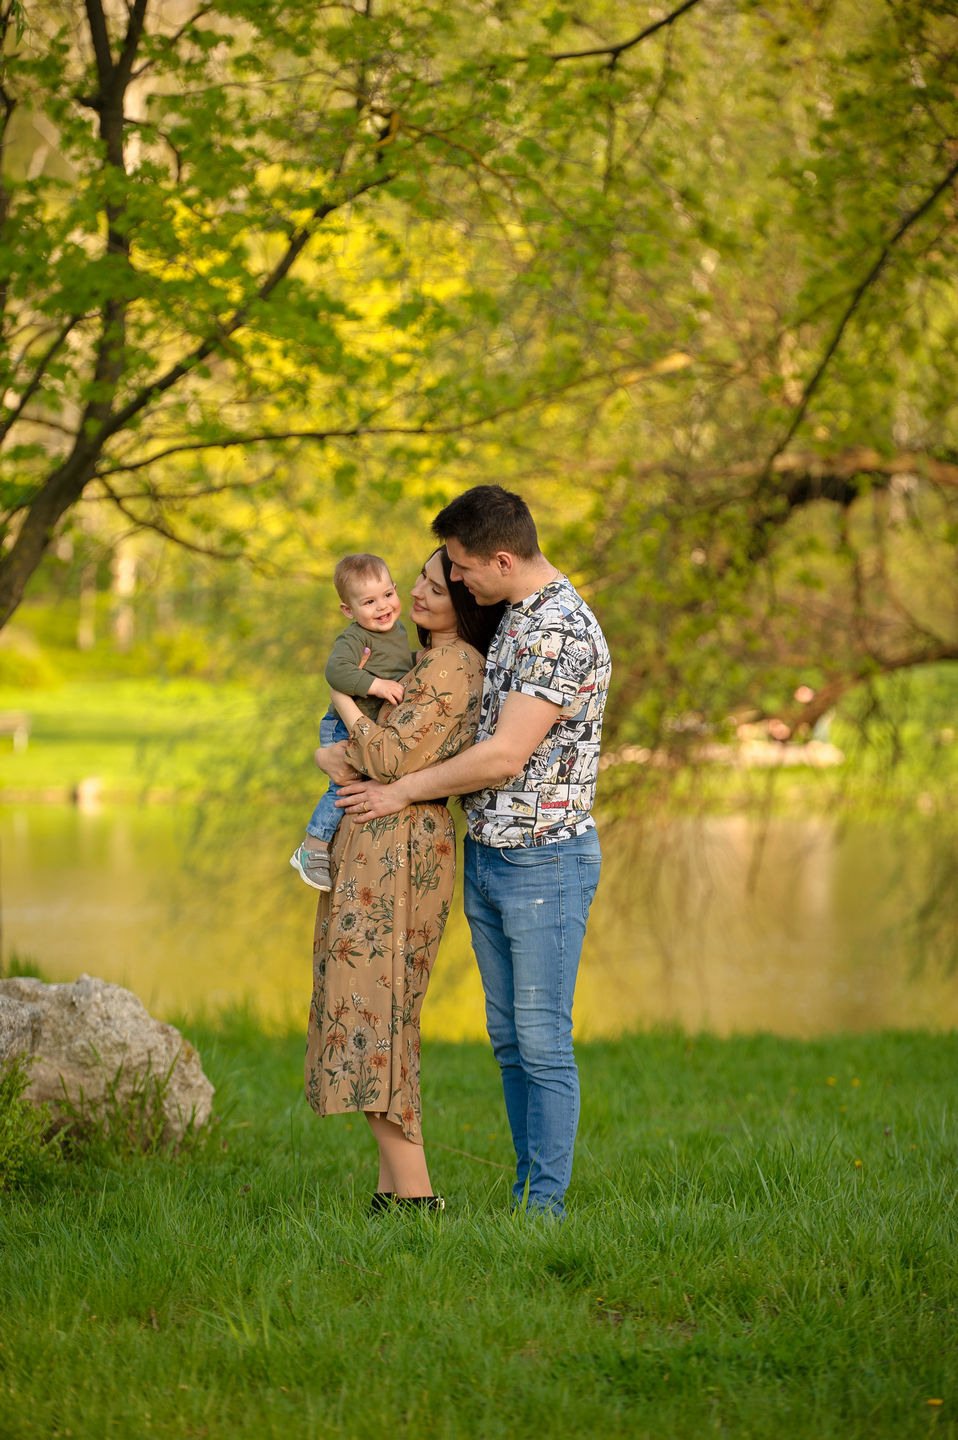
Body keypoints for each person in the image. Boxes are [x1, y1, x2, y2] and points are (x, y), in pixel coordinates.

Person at [331, 485, 611, 1219]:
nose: (454, 581)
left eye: (458, 567)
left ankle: (541, 1210)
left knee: (543, 1042)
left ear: (502, 558)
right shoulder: (517, 618)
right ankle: (527, 1195)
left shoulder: (558, 629)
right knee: (511, 1043)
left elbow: (504, 756)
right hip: (490, 855)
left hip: (544, 861)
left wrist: (399, 790)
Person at [304, 546, 505, 1211]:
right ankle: (393, 1195)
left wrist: (344, 723)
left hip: (397, 857)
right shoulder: (415, 660)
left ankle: (417, 1199)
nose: (416, 593)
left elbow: (387, 757)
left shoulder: (455, 667)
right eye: (416, 579)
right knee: (371, 1010)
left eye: (436, 587)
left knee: (374, 1014)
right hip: (375, 851)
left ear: (468, 600)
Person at [289, 553, 414, 892]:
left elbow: (400, 663)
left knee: (362, 785)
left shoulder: (399, 630)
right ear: (349, 610)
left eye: (388, 595)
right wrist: (376, 685)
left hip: (364, 724)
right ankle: (313, 846)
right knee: (343, 786)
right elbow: (336, 672)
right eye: (369, 602)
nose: (383, 607)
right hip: (342, 724)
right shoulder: (355, 638)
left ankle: (346, 848)